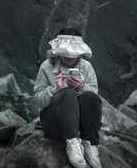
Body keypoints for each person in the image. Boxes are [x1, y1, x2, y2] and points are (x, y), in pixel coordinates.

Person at [33, 27, 102, 168]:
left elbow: (95, 100)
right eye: (65, 53)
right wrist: (55, 89)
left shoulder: (87, 67)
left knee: (90, 97)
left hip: (81, 124)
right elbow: (37, 100)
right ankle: (72, 142)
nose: (69, 57)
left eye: (73, 53)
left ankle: (90, 144)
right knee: (67, 93)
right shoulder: (47, 66)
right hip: (54, 122)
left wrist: (82, 86)